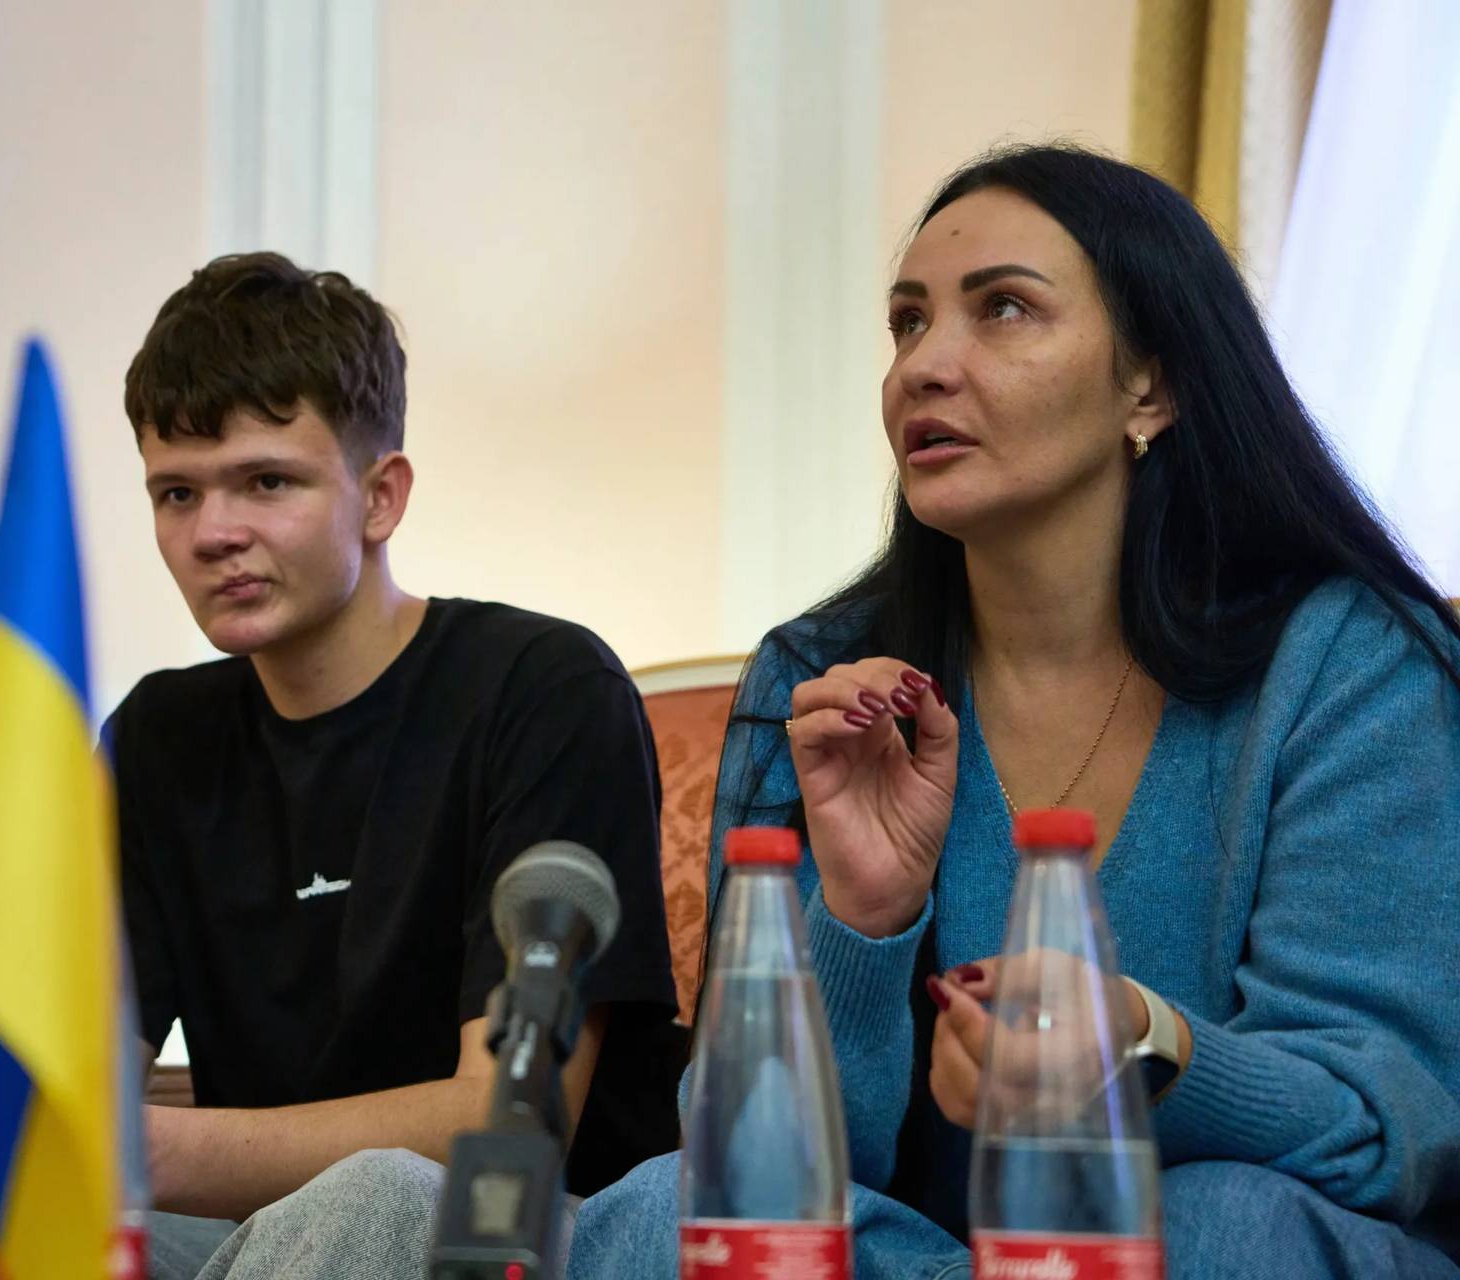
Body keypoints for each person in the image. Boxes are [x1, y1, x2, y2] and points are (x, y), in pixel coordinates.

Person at [565, 144, 1460, 1278]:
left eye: (1003, 310)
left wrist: (1141, 1043)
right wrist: (862, 917)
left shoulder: (1348, 665)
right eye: (906, 324)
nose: (924, 366)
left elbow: (1388, 1127)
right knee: (666, 1212)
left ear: (1154, 385)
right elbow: (758, 1167)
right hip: (936, 1255)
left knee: (1222, 1219)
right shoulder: (826, 679)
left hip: (1228, 1248)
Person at [103, 252, 685, 1279]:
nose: (214, 533)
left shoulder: (542, 686)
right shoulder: (155, 734)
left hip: (536, 1236)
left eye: (266, 481)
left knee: (382, 1191)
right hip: (272, 1239)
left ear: (381, 496)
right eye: (177, 493)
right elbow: (75, 1085)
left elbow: (502, 1120)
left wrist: (145, 1150)